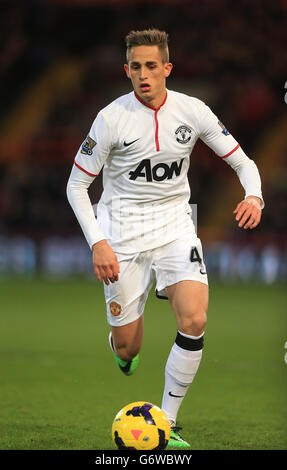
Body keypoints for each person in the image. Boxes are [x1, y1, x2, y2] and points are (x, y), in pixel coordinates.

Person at [66, 29, 263, 449]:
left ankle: (167, 423)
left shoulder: (192, 112)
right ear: (126, 70)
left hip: (175, 224)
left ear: (167, 69)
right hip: (120, 231)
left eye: (151, 66)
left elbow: (243, 162)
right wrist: (98, 242)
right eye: (135, 66)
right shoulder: (110, 118)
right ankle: (122, 347)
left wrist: (255, 195)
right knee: (127, 345)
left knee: (194, 318)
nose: (143, 74)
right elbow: (76, 186)